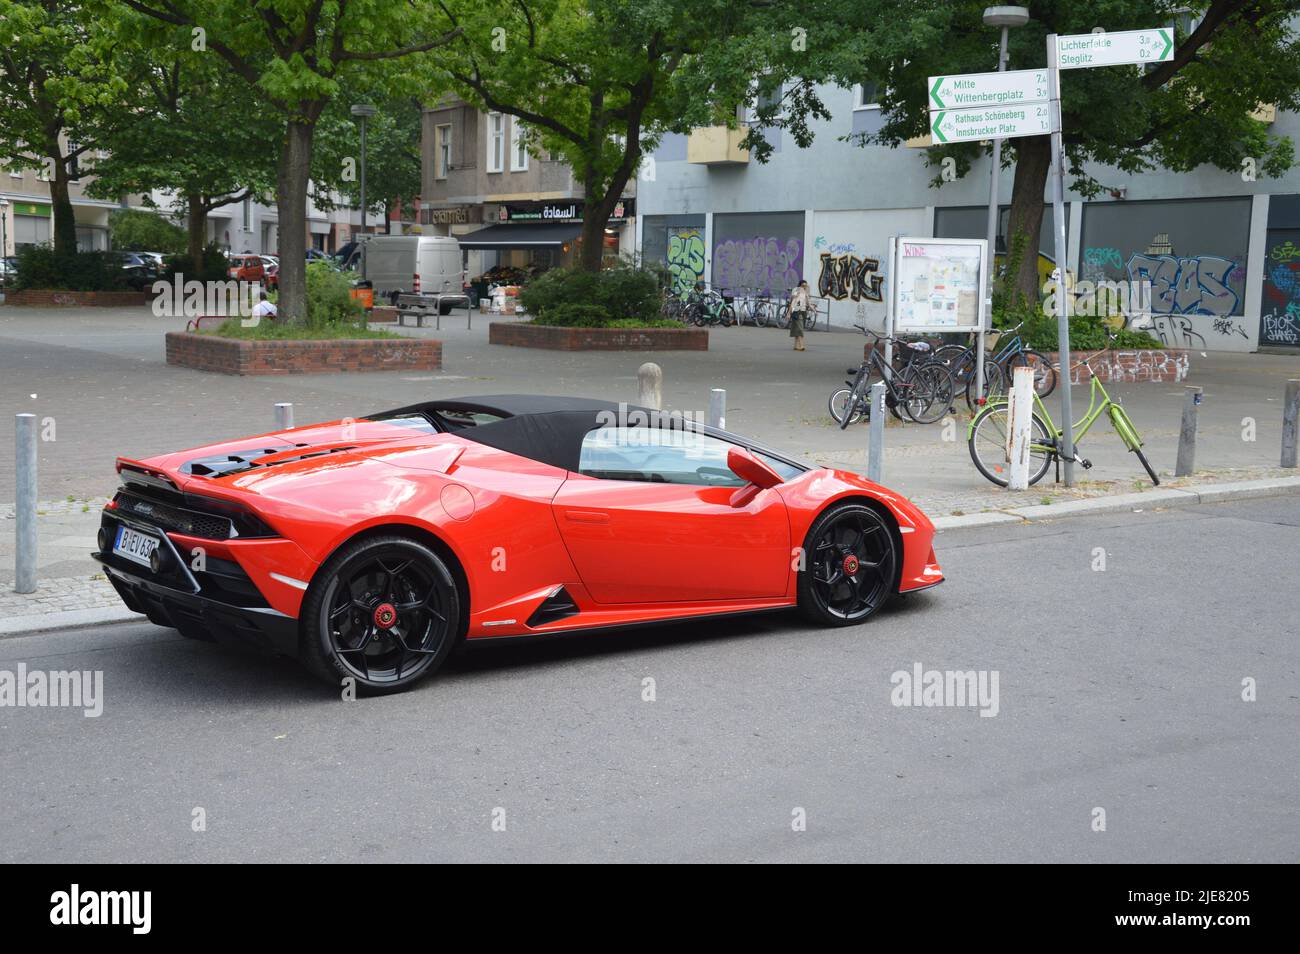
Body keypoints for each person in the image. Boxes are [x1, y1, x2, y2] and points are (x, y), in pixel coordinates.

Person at [787, 280, 811, 351]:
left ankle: (796, 346)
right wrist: (789, 313)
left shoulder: (805, 293)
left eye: (805, 286)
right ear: (800, 285)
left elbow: (807, 302)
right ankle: (801, 346)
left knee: (796, 328)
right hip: (797, 312)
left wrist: (812, 307)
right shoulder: (796, 290)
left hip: (803, 312)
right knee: (800, 329)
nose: (804, 287)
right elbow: (793, 301)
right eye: (803, 285)